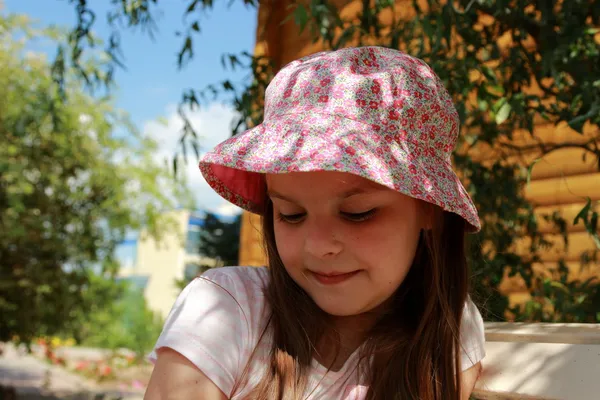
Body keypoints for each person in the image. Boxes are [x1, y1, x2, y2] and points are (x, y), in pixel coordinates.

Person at [145, 46, 486, 400]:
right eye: (290, 214)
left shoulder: (450, 332)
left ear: (428, 208)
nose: (319, 245)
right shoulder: (225, 308)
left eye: (358, 213)